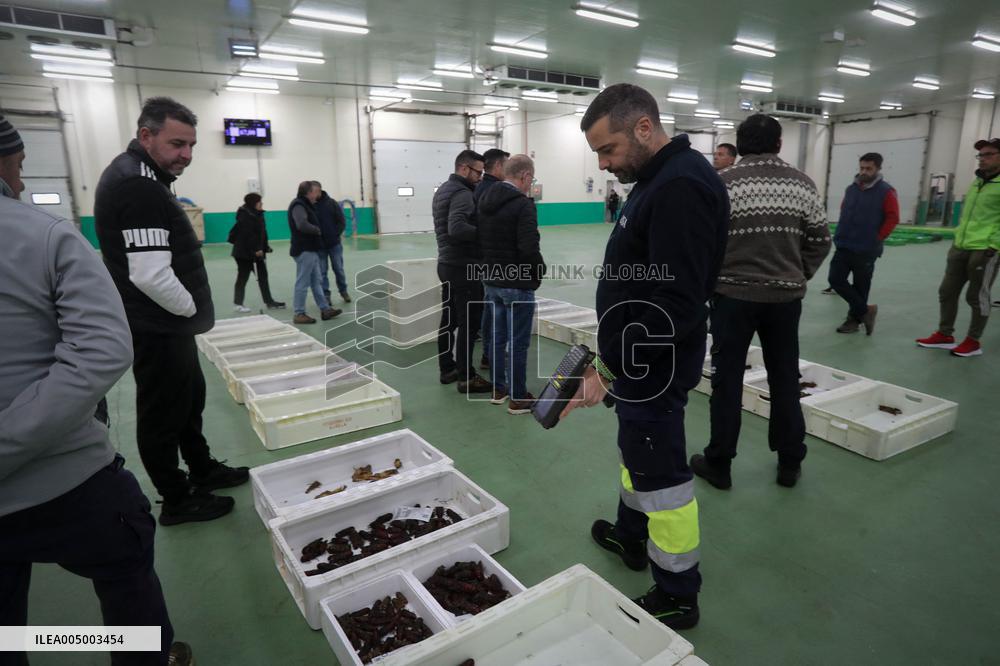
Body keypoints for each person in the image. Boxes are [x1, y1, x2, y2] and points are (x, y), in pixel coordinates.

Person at [0, 114, 193, 665]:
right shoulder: (42, 233)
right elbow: (102, 349)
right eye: (18, 166)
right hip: (62, 479)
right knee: (125, 579)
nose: (19, 181)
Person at [561, 83, 730, 631]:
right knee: (638, 454)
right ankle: (631, 538)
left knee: (664, 480)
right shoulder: (656, 179)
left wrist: (609, 369)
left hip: (652, 367)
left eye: (607, 151)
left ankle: (678, 591)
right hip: (637, 362)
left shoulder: (679, 187)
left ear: (642, 128)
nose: (606, 165)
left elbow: (676, 302)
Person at [95, 97, 249, 527]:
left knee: (188, 399)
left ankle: (201, 468)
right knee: (164, 412)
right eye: (177, 143)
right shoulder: (138, 186)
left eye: (192, 145)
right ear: (146, 136)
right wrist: (191, 312)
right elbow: (150, 276)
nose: (187, 155)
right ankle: (177, 498)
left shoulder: (147, 177)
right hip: (158, 325)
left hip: (166, 325)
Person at [690, 114, 831, 491]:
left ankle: (719, 464)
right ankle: (789, 462)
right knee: (785, 377)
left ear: (740, 143)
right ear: (780, 144)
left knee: (726, 380)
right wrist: (795, 273)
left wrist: (713, 283)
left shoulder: (722, 184)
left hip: (731, 298)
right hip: (785, 301)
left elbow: (702, 242)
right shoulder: (803, 184)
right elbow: (820, 239)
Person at [916, 138, 1000, 357]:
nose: (982, 159)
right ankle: (945, 335)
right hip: (961, 244)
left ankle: (973, 341)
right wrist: (957, 238)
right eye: (980, 155)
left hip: (985, 249)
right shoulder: (978, 181)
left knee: (977, 297)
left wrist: (994, 245)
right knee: (947, 291)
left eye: (989, 154)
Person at [477, 154, 546, 414]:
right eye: (531, 179)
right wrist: (538, 272)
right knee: (518, 342)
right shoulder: (523, 205)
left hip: (491, 281)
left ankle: (499, 388)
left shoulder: (484, 199)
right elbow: (529, 248)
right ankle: (518, 397)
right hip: (517, 284)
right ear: (525, 176)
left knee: (497, 338)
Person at [433, 149, 492, 393]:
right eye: (478, 172)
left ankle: (448, 369)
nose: (480, 177)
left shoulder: (444, 190)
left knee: (449, 320)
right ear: (464, 168)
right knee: (469, 323)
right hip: (463, 266)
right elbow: (456, 227)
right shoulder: (463, 193)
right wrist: (486, 234)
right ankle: (467, 378)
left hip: (446, 264)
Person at [828, 152, 899, 334]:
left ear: (878, 169)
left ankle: (853, 321)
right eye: (862, 168)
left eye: (869, 168)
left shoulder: (886, 191)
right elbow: (845, 211)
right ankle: (867, 310)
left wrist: (878, 238)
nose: (864, 172)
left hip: (866, 248)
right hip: (844, 244)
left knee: (861, 286)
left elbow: (893, 217)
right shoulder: (851, 189)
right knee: (835, 279)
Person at [474, 148, 510, 371]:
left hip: (482, 260)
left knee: (488, 309)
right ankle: (492, 355)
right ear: (497, 166)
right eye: (506, 165)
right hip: (497, 262)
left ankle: (488, 354)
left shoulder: (477, 189)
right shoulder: (498, 191)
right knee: (496, 312)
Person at [288, 180, 342, 324]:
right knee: (303, 282)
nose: (317, 195)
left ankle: (325, 309)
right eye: (315, 192)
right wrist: (317, 230)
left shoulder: (307, 205)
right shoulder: (298, 205)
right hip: (304, 249)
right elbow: (301, 224)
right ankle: (299, 313)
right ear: (308, 192)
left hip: (311, 249)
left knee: (316, 281)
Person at [229, 192, 284, 312]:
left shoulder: (258, 214)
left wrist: (265, 247)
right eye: (259, 201)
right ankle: (238, 304)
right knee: (243, 277)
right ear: (254, 203)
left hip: (257, 251)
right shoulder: (245, 216)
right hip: (243, 253)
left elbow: (261, 233)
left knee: (263, 276)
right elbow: (247, 236)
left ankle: (269, 301)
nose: (261, 203)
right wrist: (256, 249)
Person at [313, 183, 352, 305]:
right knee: (322, 272)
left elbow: (341, 221)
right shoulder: (310, 205)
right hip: (319, 246)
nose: (312, 194)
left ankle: (343, 291)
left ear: (319, 191)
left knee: (338, 269)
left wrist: (335, 234)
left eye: (314, 191)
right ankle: (326, 295)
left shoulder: (331, 203)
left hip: (334, 244)